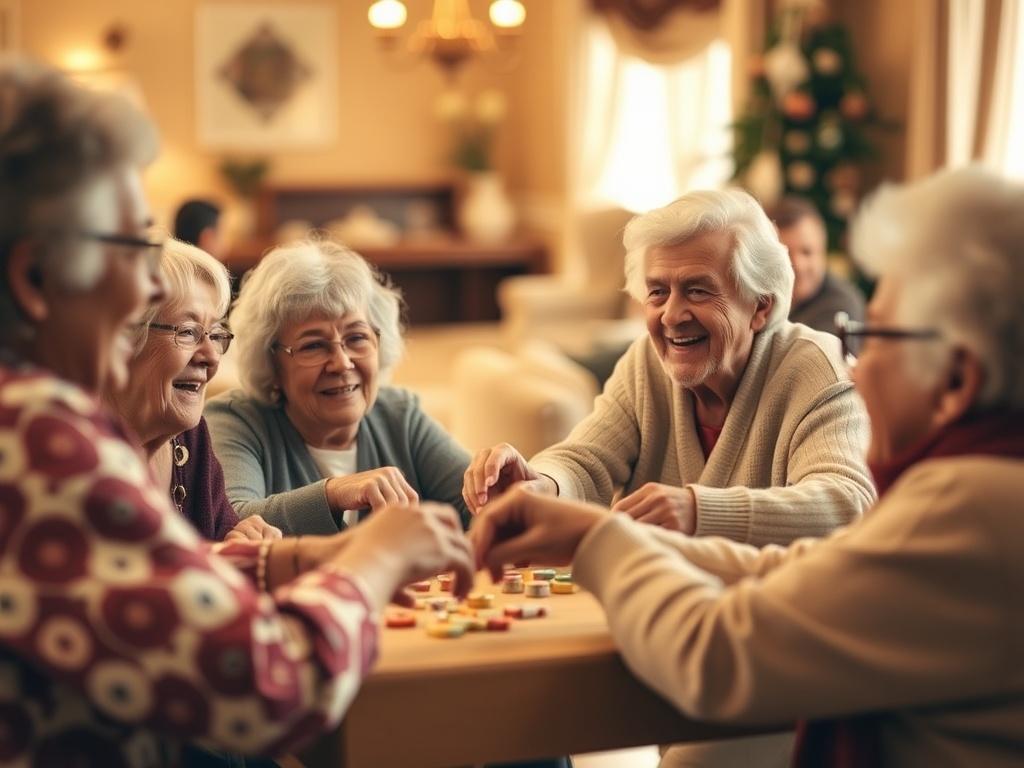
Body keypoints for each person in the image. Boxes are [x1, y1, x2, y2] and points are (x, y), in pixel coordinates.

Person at [0, 56, 473, 767]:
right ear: (36, 278)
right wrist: (374, 561)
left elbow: (160, 588)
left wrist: (316, 554)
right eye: (133, 249)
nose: (143, 293)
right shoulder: (35, 438)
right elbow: (268, 693)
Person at [470, 166, 1024, 768]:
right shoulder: (981, 488)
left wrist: (613, 538)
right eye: (658, 292)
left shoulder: (965, 505)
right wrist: (551, 491)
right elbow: (797, 568)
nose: (859, 367)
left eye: (877, 336)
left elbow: (719, 653)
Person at [465, 188, 875, 544]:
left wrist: (698, 510)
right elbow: (586, 460)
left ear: (760, 307)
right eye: (658, 292)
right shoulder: (646, 362)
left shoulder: (819, 369)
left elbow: (847, 501)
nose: (671, 315)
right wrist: (540, 484)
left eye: (697, 291)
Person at [206, 239, 473, 536]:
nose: (342, 363)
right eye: (314, 346)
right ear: (271, 361)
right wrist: (334, 493)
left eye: (357, 338)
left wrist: (514, 484)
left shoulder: (399, 416)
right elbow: (232, 518)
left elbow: (479, 509)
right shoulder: (234, 421)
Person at [106, 238, 280, 542]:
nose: (212, 355)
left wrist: (239, 541)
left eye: (214, 334)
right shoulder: (76, 446)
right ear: (124, 339)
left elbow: (221, 537)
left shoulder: (190, 439)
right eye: (188, 332)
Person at [768, 196, 865, 333]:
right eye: (785, 254)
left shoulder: (841, 307)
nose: (798, 265)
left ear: (823, 252)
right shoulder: (759, 301)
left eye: (807, 252)